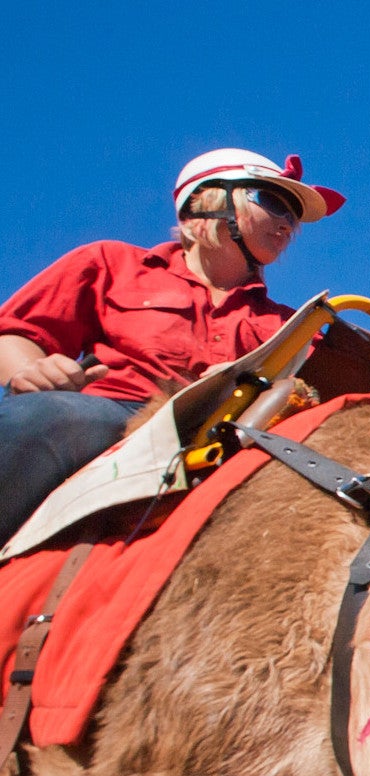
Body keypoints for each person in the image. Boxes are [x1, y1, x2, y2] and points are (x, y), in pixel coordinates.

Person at [0, 149, 343, 545]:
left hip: (239, 438)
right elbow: (17, 333)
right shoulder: (110, 263)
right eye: (272, 202)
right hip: (115, 418)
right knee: (43, 418)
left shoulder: (294, 324)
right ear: (203, 205)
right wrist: (31, 370)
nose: (287, 223)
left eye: (294, 216)